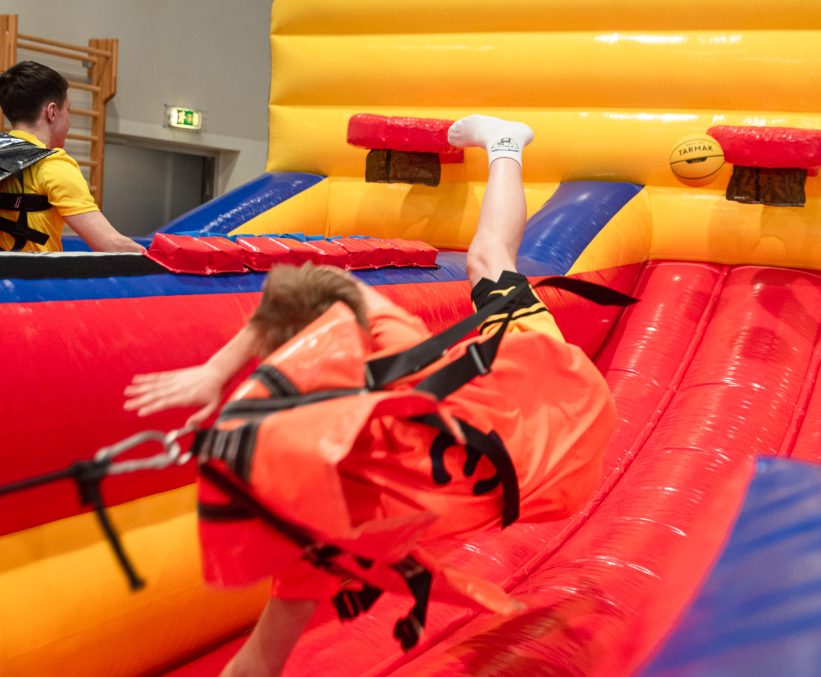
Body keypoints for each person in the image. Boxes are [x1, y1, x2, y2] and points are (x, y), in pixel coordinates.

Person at [124, 115, 623, 676]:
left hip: (561, 474)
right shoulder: (393, 381)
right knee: (489, 261)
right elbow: (323, 284)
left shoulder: (328, 536)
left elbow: (260, 660)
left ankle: (505, 142)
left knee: (488, 266)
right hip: (556, 384)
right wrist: (218, 370)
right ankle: (504, 143)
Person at [0, 61, 141, 252]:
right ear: (52, 112)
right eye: (68, 110)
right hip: (33, 272)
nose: (69, 120)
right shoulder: (52, 165)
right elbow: (111, 244)